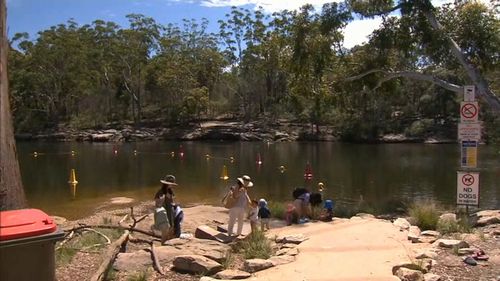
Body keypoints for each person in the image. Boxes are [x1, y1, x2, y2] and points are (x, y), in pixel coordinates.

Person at [154, 174, 178, 243]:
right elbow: (157, 203)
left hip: (170, 211)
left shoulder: (171, 191)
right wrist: (161, 201)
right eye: (170, 184)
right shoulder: (161, 191)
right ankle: (163, 244)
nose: (171, 185)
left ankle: (169, 243)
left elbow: (172, 201)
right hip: (163, 212)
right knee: (165, 229)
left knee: (171, 227)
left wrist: (174, 205)